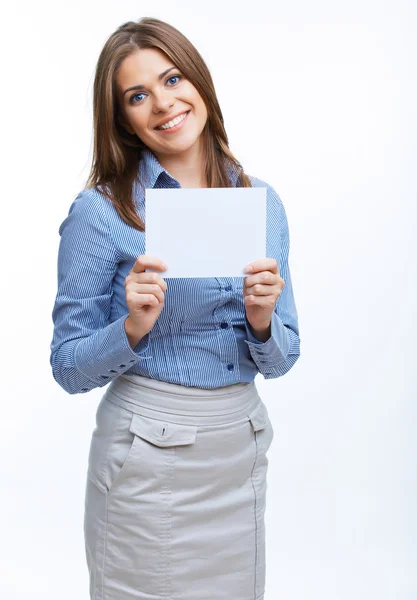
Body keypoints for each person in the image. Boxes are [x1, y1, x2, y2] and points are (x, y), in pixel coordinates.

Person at [49, 16, 301, 600]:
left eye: (171, 78)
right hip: (146, 460)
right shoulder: (101, 212)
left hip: (238, 453)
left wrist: (263, 322)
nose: (163, 103)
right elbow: (67, 367)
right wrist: (131, 327)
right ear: (123, 120)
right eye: (138, 96)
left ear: (199, 82)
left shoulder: (261, 204)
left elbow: (284, 356)